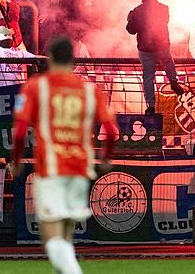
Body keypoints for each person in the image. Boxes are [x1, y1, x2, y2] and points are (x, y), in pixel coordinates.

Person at [9, 37, 120, 274]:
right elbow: (112, 131)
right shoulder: (90, 90)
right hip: (79, 168)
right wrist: (106, 158)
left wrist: (16, 162)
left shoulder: (35, 86)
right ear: (72, 60)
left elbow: (18, 133)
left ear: (49, 58)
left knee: (51, 237)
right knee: (66, 236)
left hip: (51, 168)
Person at [126, 0, 185, 116]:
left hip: (145, 47)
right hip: (161, 44)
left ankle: (151, 106)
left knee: (148, 76)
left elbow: (131, 30)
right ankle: (173, 80)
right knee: (168, 60)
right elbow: (164, 22)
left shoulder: (137, 11)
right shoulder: (164, 8)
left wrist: (130, 19)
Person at [0, 8, 36, 86]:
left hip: (17, 89)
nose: (7, 40)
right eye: (6, 37)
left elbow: (37, 58)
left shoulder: (21, 52)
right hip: (5, 90)